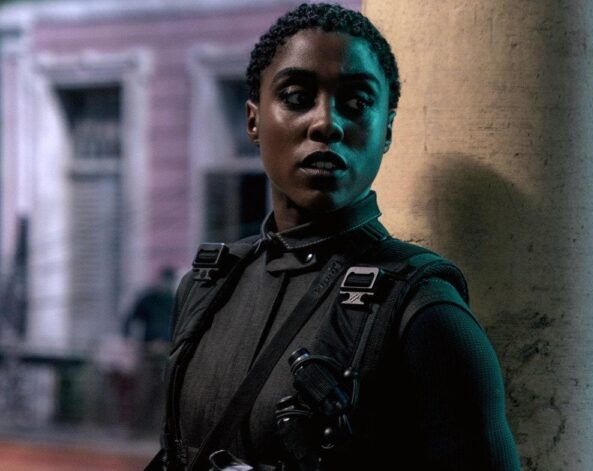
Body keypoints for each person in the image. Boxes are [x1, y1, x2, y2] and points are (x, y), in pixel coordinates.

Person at [150, 3, 518, 470]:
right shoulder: (208, 286)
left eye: (357, 103)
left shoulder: (423, 311)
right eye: (296, 96)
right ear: (253, 121)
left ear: (386, 130)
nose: (326, 123)